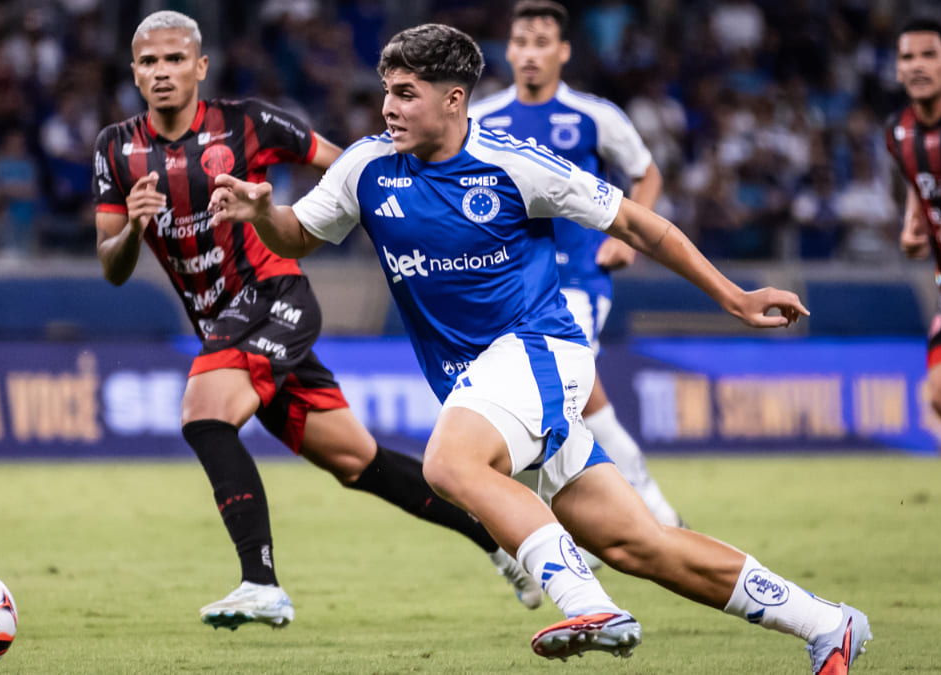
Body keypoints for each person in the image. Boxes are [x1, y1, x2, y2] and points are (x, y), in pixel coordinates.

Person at [209, 23, 871, 672]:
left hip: (541, 349)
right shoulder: (367, 166)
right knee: (638, 542)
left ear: (453, 98)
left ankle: (591, 604)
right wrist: (261, 210)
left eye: (407, 92)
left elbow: (639, 223)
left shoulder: (514, 164)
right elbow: (298, 235)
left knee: (449, 463)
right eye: (387, 90)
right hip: (488, 383)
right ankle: (826, 622)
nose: (389, 106)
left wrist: (734, 297)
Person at [92, 11, 541, 632]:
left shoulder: (248, 121)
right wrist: (134, 230)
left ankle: (261, 583)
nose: (162, 72)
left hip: (273, 292)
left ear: (199, 67)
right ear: (135, 74)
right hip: (222, 323)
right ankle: (500, 538)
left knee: (204, 412)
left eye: (174, 60)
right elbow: (112, 265)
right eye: (149, 62)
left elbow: (352, 166)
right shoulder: (116, 149)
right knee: (359, 462)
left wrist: (387, 220)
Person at [469, 0, 682, 533]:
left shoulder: (595, 116)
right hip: (511, 284)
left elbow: (646, 174)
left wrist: (627, 239)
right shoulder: (481, 119)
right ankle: (648, 513)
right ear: (509, 50)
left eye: (542, 43)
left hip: (579, 278)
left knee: (559, 401)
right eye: (520, 42)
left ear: (563, 51)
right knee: (582, 404)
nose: (530, 53)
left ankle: (595, 531)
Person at [885, 17, 941, 455]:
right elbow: (917, 180)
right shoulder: (899, 132)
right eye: (908, 57)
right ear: (896, 69)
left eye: (930, 54)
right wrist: (914, 224)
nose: (918, 65)